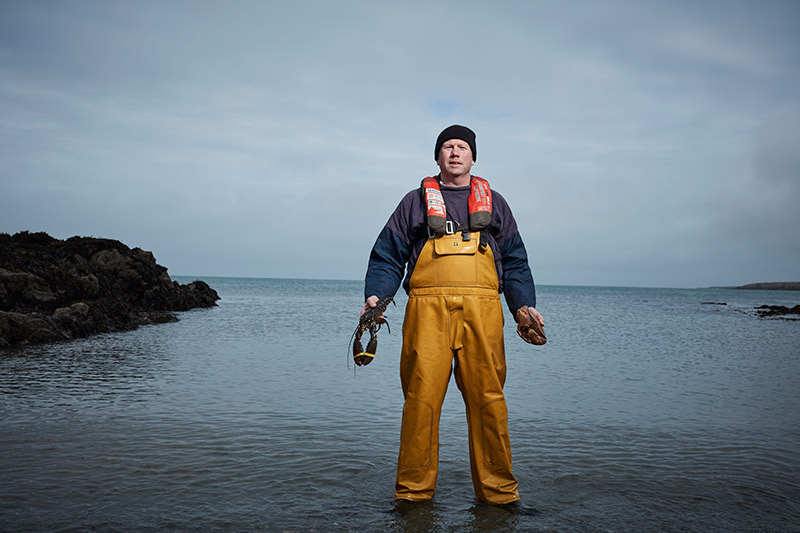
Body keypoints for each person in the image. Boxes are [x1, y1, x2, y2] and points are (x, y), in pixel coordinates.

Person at [359, 124, 545, 505]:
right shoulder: (414, 201)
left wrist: (523, 305)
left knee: (489, 403)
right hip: (427, 310)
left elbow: (514, 260)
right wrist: (377, 297)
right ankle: (412, 497)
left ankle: (500, 497)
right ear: (438, 157)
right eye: (447, 147)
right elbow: (388, 256)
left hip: (484, 311)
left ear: (473, 157)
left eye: (462, 147)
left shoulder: (495, 202)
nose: (455, 152)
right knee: (420, 402)